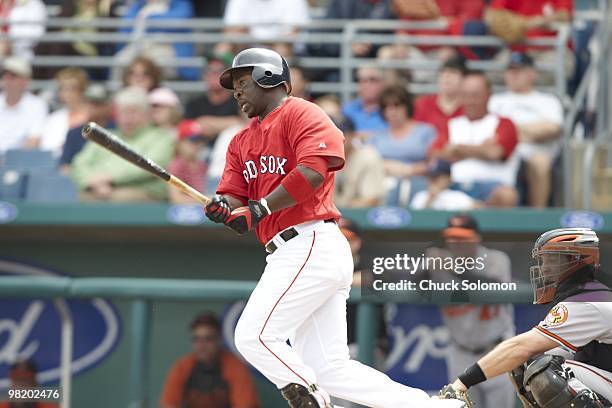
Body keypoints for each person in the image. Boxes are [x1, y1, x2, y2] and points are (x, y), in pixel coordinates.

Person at [203, 47, 466, 408]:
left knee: (254, 336)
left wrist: (258, 208)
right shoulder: (240, 140)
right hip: (290, 251)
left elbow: (315, 169)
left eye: (243, 82)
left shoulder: (299, 112)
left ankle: (314, 400)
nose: (236, 92)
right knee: (329, 369)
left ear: (268, 78)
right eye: (233, 85)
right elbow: (233, 198)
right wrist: (224, 209)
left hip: (310, 240)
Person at [442, 228, 612, 408]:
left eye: (552, 260)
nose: (544, 267)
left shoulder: (586, 302)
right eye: (543, 260)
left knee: (543, 368)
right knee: (528, 362)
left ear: (576, 260)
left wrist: (461, 383)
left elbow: (521, 347)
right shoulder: (590, 292)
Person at [426, 214, 515, 408]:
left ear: (476, 238)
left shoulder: (495, 259)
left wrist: (454, 268)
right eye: (452, 237)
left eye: (462, 237)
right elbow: (406, 280)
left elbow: (492, 286)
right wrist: (424, 265)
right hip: (460, 352)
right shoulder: (440, 261)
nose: (456, 243)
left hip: (497, 349)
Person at [429, 70, 519, 207]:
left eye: (475, 95)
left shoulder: (504, 123)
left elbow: (495, 153)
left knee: (507, 195)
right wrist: (482, 149)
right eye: (465, 95)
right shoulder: (452, 123)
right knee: (427, 195)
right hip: (456, 185)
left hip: (492, 187)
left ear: (488, 96)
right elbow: (435, 154)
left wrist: (457, 149)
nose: (470, 101)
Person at [71, 86, 175, 202]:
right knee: (83, 197)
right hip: (98, 189)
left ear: (146, 114)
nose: (127, 119)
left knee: (115, 199)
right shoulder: (104, 136)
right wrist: (91, 181)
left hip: (142, 192)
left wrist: (109, 178)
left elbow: (151, 167)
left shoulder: (160, 137)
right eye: (123, 113)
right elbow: (79, 163)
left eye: (133, 112)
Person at [489, 52, 563, 208]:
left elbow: (552, 128)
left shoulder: (547, 100)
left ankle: (538, 215)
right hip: (504, 151)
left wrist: (511, 131)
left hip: (536, 151)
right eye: (510, 70)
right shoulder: (496, 100)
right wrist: (528, 132)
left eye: (519, 70)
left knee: (540, 162)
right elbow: (490, 130)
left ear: (532, 74)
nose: (514, 75)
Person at [160, 312, 260, 408]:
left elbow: (245, 405)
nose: (201, 346)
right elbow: (169, 404)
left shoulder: (235, 367)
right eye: (197, 339)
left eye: (208, 339)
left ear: (219, 339)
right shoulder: (183, 366)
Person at [118, 0, 198, 80]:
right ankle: (117, 92)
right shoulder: (139, 5)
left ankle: (156, 91)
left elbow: (178, 20)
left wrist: (147, 20)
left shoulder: (179, 3)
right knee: (120, 61)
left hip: (167, 48)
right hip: (139, 46)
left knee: (157, 65)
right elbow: (125, 27)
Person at [27, 67, 89, 157]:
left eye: (72, 89)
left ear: (82, 90)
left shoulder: (92, 116)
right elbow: (46, 147)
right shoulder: (54, 118)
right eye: (63, 89)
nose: (67, 93)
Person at [219, 0, 310, 57]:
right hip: (247, 48)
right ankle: (222, 82)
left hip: (286, 52)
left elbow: (290, 36)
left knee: (282, 48)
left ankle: (275, 83)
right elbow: (230, 32)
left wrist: (249, 35)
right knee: (223, 47)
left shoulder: (295, 1)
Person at [184, 53, 242, 142]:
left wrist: (206, 121)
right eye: (209, 70)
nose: (214, 74)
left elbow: (244, 124)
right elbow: (184, 128)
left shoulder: (240, 100)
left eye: (220, 70)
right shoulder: (194, 103)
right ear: (204, 75)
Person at [59, 83, 114, 172]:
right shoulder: (74, 133)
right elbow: (65, 166)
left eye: (97, 103)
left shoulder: (117, 130)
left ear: (108, 106)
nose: (92, 107)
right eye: (88, 102)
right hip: (80, 181)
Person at [334, 117, 386, 208]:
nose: (338, 138)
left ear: (353, 135)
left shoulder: (368, 157)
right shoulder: (323, 159)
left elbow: (372, 199)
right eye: (334, 133)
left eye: (343, 133)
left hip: (360, 217)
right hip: (330, 216)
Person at [0, 56, 47, 154]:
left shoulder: (37, 105)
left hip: (18, 163)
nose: (7, 79)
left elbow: (34, 141)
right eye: (5, 75)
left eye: (13, 76)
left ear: (26, 80)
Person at [414, 55, 466, 136]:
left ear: (464, 79)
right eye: (443, 72)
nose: (447, 76)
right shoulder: (422, 105)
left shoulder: (470, 108)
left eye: (453, 72)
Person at [410, 160, 478, 210]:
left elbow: (478, 208)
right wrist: (430, 199)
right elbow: (417, 220)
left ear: (448, 178)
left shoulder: (458, 196)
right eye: (430, 177)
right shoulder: (421, 196)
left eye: (436, 177)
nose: (432, 180)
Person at [168, 120, 207, 204]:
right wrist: (206, 202)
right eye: (193, 140)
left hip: (199, 210)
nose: (198, 144)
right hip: (180, 212)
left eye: (200, 140)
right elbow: (176, 198)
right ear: (180, 142)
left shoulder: (202, 164)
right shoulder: (177, 165)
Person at [341, 66, 388, 135]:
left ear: (383, 83)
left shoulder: (390, 109)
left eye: (372, 80)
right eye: (363, 81)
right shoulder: (347, 109)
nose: (367, 85)